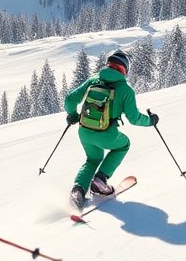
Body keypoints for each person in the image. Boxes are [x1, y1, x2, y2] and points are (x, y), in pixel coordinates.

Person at [62, 49, 156, 209]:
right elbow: (134, 118)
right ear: (125, 69)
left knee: (92, 159)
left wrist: (72, 115)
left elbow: (70, 99)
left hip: (84, 131)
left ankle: (77, 191)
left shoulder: (94, 81)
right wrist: (151, 121)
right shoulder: (126, 90)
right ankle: (100, 179)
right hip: (106, 133)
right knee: (123, 145)